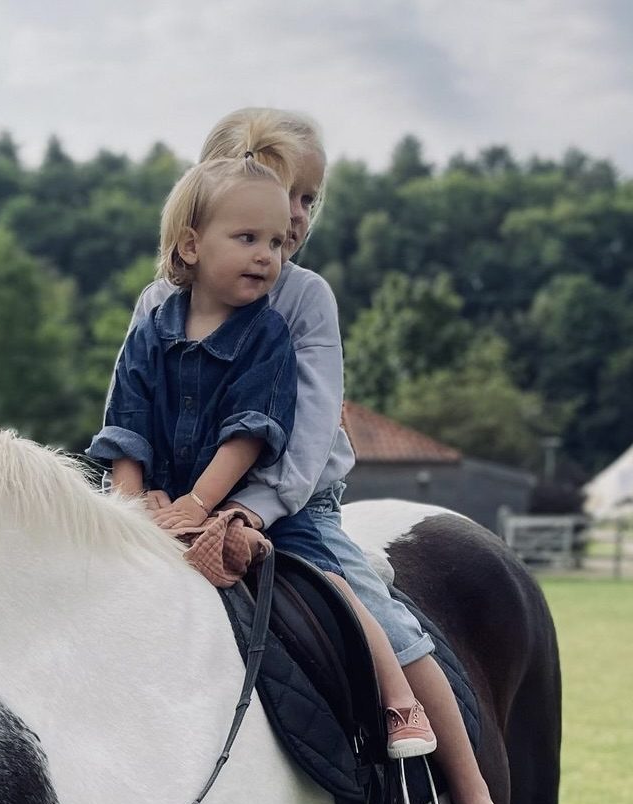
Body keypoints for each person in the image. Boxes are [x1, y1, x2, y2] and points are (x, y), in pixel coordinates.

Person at [121, 108, 523, 804]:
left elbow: (302, 438)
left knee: (388, 619)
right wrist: (139, 502)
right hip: (174, 504)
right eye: (280, 194)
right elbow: (125, 408)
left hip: (287, 503)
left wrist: (249, 510)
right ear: (202, 215)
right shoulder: (153, 305)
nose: (295, 218)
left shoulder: (302, 300)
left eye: (308, 200)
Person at [87, 150, 440, 765]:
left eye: (276, 240)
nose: (270, 254)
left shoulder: (272, 327)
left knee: (338, 587)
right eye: (249, 237)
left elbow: (251, 433)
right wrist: (132, 504)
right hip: (162, 501)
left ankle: (404, 708)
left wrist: (206, 505)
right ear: (192, 245)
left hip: (261, 504)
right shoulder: (151, 319)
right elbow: (127, 422)